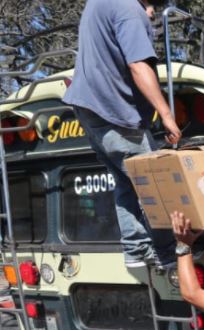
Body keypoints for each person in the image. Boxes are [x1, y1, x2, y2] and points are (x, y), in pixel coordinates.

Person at [64, 0, 182, 269]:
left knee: (125, 180)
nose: (151, 16)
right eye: (152, 8)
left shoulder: (97, 3)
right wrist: (165, 113)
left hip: (88, 110)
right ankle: (167, 252)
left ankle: (136, 249)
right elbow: (139, 66)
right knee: (154, 185)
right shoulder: (130, 11)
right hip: (115, 111)